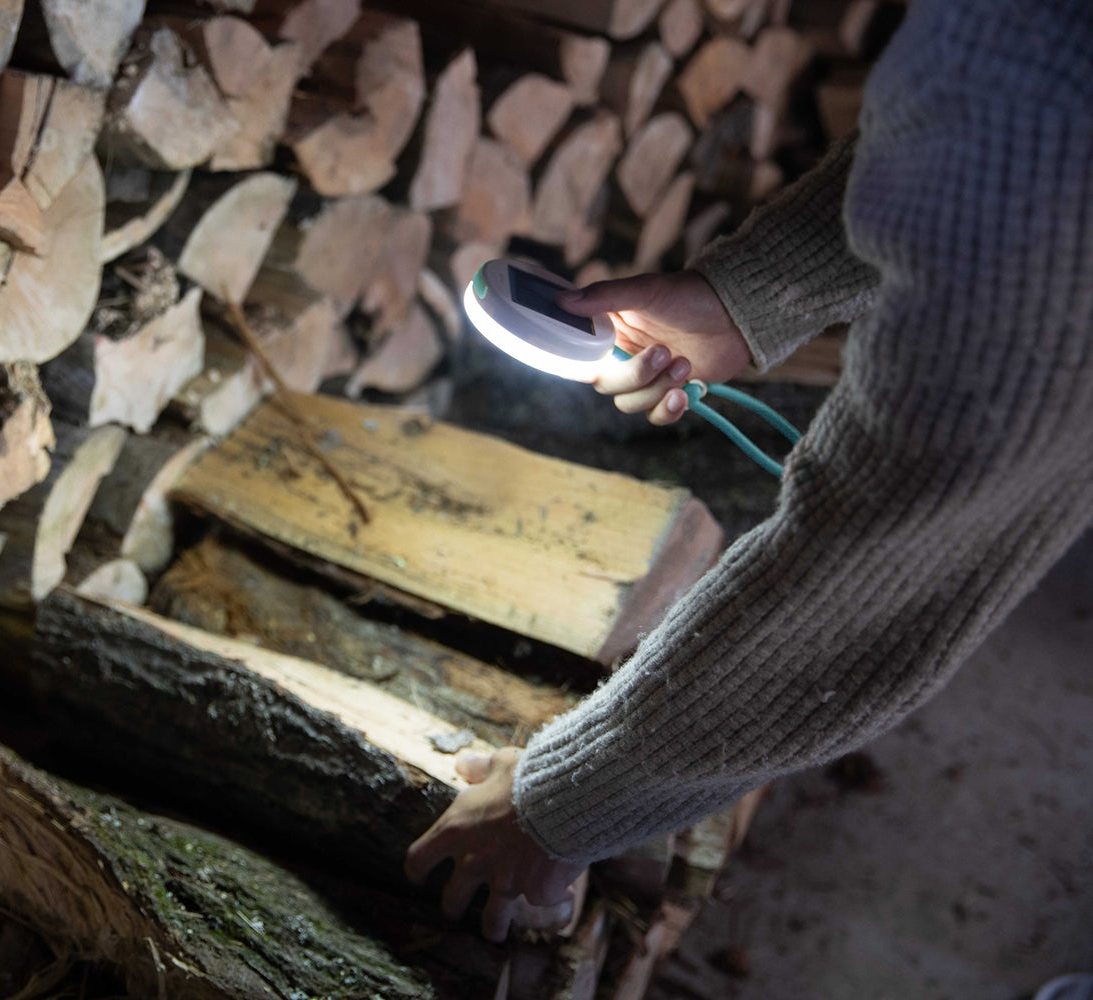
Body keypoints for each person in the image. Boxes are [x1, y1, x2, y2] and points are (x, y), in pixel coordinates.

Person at [406, 0, 1093, 945]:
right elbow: (960, 121)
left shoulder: (1053, 160)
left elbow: (888, 564)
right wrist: (742, 298)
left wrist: (563, 802)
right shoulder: (1025, 64)